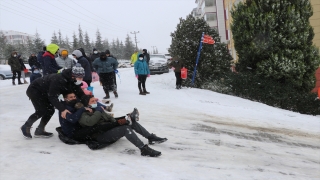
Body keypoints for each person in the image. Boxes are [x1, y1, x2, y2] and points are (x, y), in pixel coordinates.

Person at [60, 93, 166, 157]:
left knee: (131, 122)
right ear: (87, 104)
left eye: (95, 100)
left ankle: (150, 137)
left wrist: (123, 119)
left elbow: (110, 119)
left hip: (107, 129)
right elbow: (91, 123)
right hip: (99, 135)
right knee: (125, 129)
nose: (95, 102)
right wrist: (98, 111)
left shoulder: (97, 109)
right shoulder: (83, 113)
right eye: (92, 101)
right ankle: (143, 149)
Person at [20, 64, 87, 139]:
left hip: (46, 92)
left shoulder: (73, 81)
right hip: (35, 90)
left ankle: (40, 130)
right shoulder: (59, 80)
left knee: (50, 110)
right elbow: (52, 96)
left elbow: (80, 94)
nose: (81, 79)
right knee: (41, 110)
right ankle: (26, 126)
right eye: (79, 77)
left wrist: (89, 101)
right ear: (73, 75)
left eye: (82, 77)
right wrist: (63, 109)